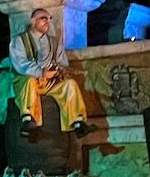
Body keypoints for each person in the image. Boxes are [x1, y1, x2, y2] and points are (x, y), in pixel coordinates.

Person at [8, 7, 89, 137]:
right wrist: (40, 72)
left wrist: (59, 70)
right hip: (28, 81)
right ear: (33, 21)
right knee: (29, 80)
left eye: (49, 19)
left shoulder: (54, 42)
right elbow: (20, 64)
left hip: (50, 82)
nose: (47, 22)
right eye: (43, 18)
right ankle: (28, 119)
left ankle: (77, 122)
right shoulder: (19, 41)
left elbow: (63, 63)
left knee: (70, 84)